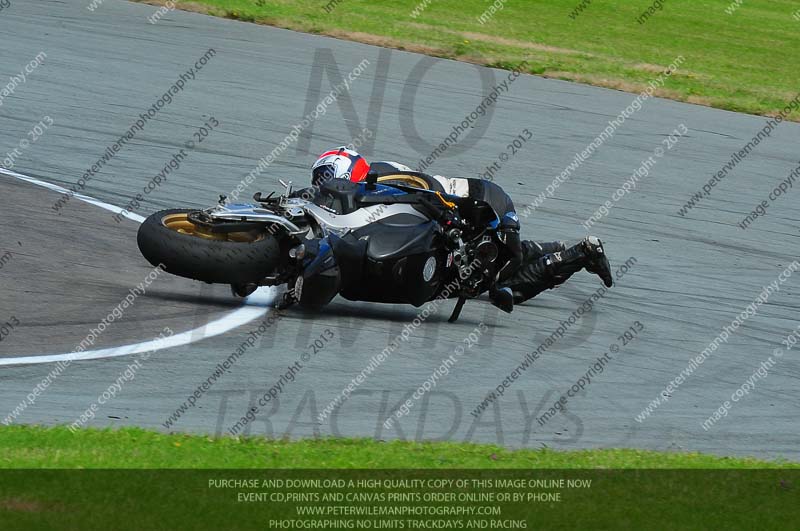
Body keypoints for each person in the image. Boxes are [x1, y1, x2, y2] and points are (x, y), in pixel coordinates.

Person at [309, 147, 613, 312]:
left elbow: (425, 194)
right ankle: (566, 248)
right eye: (318, 181)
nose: (321, 185)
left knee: (499, 286)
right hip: (479, 203)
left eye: (324, 177)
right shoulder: (373, 182)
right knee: (510, 260)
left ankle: (578, 254)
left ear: (345, 165)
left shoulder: (380, 178)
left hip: (483, 202)